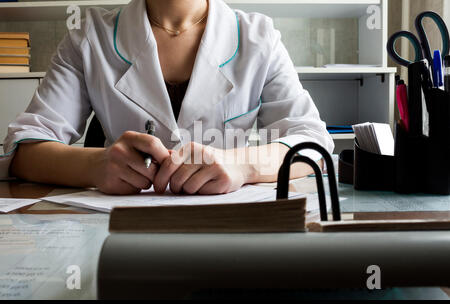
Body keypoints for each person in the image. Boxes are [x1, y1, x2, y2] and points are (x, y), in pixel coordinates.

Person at [1, 0, 333, 195]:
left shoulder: (259, 38)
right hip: (118, 232)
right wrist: (95, 165)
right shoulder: (89, 37)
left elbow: (313, 146)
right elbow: (24, 152)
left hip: (229, 232)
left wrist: (242, 164)